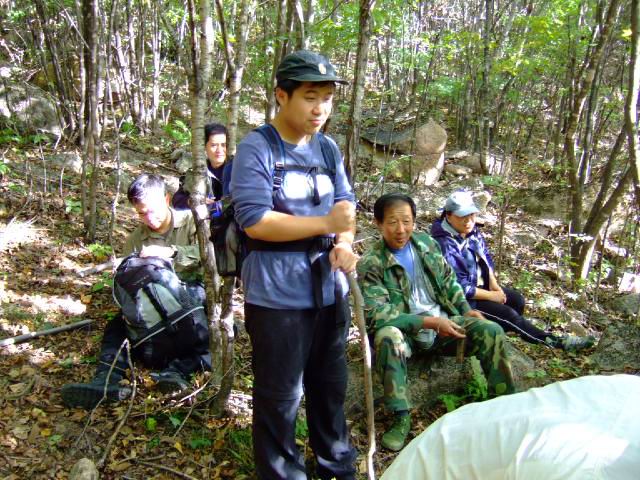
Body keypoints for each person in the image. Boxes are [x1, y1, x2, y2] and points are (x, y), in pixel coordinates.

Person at [230, 50, 357, 479]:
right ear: (281, 96)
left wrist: (344, 242)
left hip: (329, 290)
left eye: (327, 98)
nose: (320, 108)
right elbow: (254, 220)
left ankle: (337, 467)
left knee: (330, 389)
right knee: (280, 397)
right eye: (309, 97)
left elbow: (346, 206)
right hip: (277, 296)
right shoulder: (257, 148)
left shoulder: (328, 149)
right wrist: (325, 224)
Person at [357, 193, 516, 452]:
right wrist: (429, 322)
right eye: (392, 222)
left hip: (444, 325)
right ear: (378, 224)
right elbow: (378, 314)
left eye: (406, 221)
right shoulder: (372, 263)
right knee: (387, 336)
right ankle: (401, 416)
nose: (401, 230)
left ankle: (504, 405)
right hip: (409, 335)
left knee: (491, 330)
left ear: (414, 221)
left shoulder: (426, 244)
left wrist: (465, 310)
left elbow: (449, 280)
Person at [61, 174, 210, 410]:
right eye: (141, 213)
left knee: (220, 327)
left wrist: (171, 253)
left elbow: (210, 257)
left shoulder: (193, 222)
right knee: (117, 325)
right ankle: (107, 380)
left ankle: (177, 373)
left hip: (192, 304)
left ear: (166, 199)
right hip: (154, 315)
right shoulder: (136, 240)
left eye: (152, 210)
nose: (148, 218)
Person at [431, 190, 595, 351]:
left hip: (479, 286)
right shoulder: (443, 243)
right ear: (448, 216)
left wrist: (494, 285)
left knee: (517, 300)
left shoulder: (470, 231)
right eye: (462, 216)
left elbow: (485, 256)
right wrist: (492, 296)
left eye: (471, 215)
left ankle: (502, 333)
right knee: (508, 314)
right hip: (461, 301)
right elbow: (459, 287)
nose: (468, 221)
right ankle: (554, 341)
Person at [172, 122, 231, 218]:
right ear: (204, 147)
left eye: (223, 145)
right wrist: (194, 201)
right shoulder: (199, 170)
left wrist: (216, 207)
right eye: (214, 145)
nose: (219, 150)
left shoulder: (238, 169)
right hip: (205, 222)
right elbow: (177, 201)